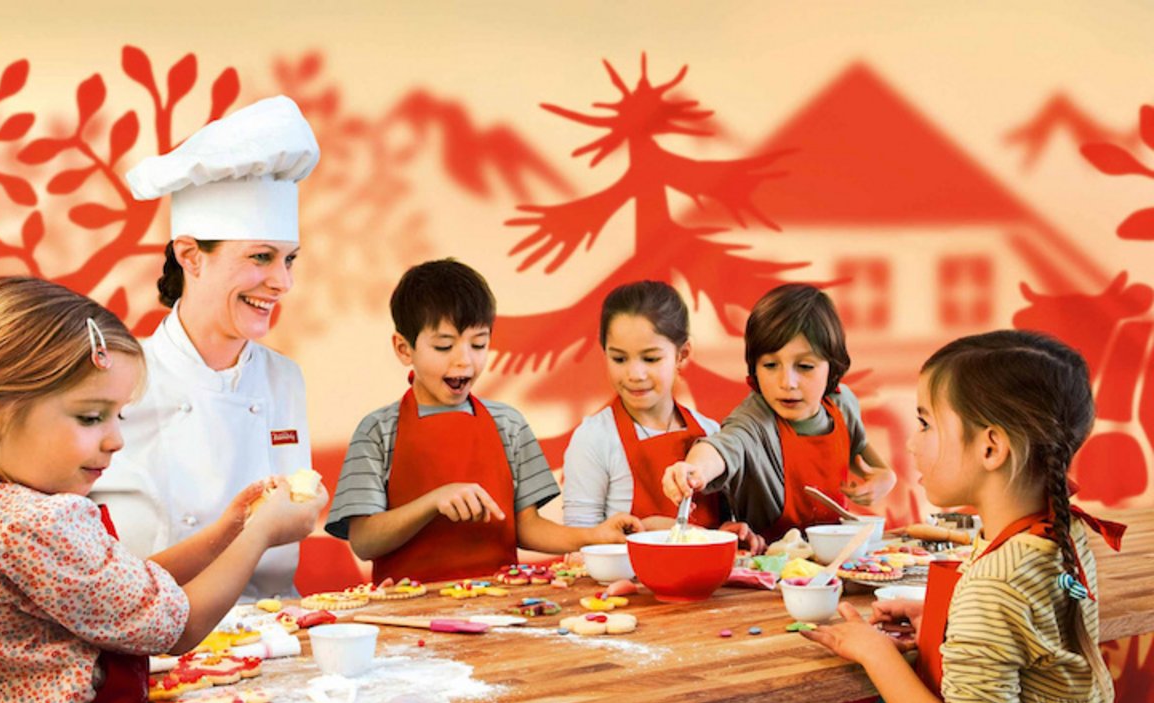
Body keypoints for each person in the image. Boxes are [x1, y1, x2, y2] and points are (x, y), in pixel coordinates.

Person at [0, 277, 325, 703]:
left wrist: (229, 529)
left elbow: (125, 588)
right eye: (91, 418)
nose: (116, 441)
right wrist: (261, 534)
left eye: (119, 417)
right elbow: (180, 628)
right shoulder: (37, 523)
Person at [801, 329, 1124, 703]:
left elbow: (998, 602)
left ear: (990, 448)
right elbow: (1031, 632)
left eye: (925, 424)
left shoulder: (994, 586)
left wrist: (875, 652)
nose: (911, 443)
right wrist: (948, 622)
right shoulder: (1062, 530)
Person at [90, 96, 321, 599]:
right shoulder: (114, 378)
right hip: (156, 631)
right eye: (261, 257)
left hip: (277, 625)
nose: (283, 282)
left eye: (289, 260)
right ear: (191, 256)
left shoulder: (285, 378)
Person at [324, 259, 642, 582]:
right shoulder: (378, 431)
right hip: (409, 604)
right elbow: (364, 541)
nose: (465, 360)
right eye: (444, 346)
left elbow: (526, 527)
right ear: (404, 349)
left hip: (499, 600)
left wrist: (594, 536)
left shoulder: (508, 424)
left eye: (478, 344)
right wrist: (433, 502)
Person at [662, 283, 895, 546]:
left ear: (832, 366)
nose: (787, 382)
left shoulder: (842, 404)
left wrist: (886, 477)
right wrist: (693, 471)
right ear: (754, 368)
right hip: (770, 560)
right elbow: (723, 446)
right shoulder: (753, 420)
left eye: (804, 366)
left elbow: (863, 455)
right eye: (771, 365)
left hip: (835, 554)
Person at [561, 281, 728, 531]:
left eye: (650, 358)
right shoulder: (594, 438)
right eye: (619, 358)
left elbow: (724, 524)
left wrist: (732, 531)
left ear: (682, 355)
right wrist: (648, 530)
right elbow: (580, 540)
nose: (635, 374)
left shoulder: (711, 432)